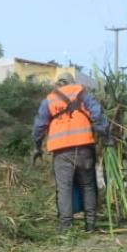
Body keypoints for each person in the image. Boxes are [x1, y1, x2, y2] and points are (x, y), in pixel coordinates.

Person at [32, 73, 110, 233]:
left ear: (58, 84)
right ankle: (90, 225)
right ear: (72, 82)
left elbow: (39, 126)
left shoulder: (50, 99)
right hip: (84, 147)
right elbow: (97, 113)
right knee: (88, 185)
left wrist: (37, 147)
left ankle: (66, 227)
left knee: (64, 188)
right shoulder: (81, 92)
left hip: (61, 151)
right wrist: (105, 136)